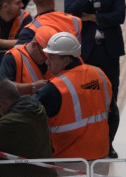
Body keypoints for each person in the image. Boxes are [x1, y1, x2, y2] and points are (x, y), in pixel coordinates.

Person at [64, 0, 126, 158]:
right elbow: (70, 14)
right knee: (86, 99)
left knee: (110, 100)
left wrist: (93, 18)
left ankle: (108, 143)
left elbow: (120, 15)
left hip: (109, 51)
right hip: (85, 52)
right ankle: (87, 142)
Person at [35, 32, 111, 165]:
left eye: (52, 57)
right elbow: (113, 115)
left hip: (68, 161)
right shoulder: (99, 74)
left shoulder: (55, 88)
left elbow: (26, 109)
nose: (47, 62)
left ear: (66, 60)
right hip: (100, 158)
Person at [0, 79, 55, 177]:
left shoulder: (14, 121)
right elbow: (1, 130)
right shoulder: (35, 107)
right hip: (42, 173)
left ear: (2, 103)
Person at [0, 25, 57, 96]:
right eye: (44, 55)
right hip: (20, 106)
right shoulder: (13, 57)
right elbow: (1, 88)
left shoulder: (53, 60)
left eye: (50, 57)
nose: (47, 61)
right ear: (34, 45)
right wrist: (33, 87)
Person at [15, 0, 82, 45]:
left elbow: (19, 54)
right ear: (53, 0)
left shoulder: (31, 29)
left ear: (34, 0)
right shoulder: (75, 21)